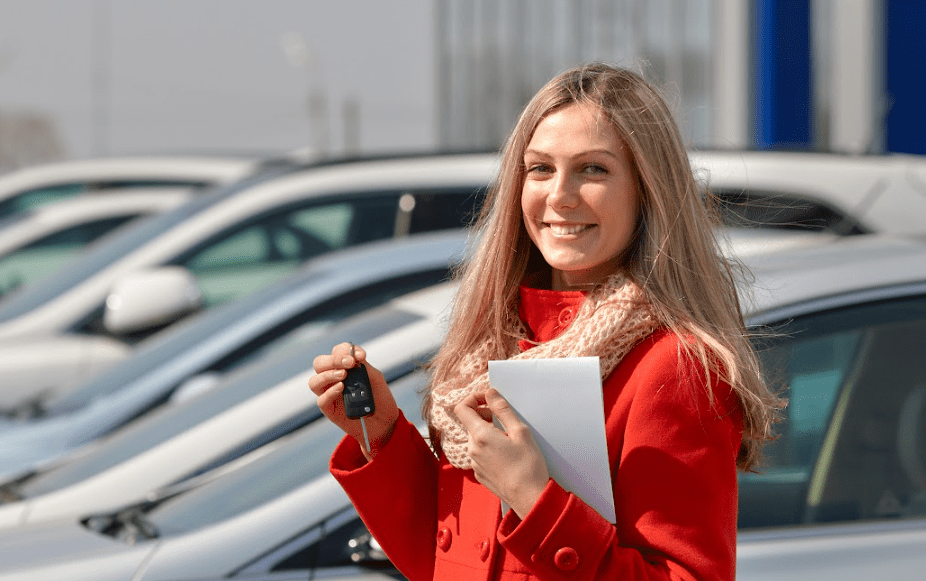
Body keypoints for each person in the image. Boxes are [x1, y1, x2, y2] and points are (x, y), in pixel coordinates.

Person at [308, 63, 782, 581]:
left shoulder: (676, 364)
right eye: (540, 169)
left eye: (593, 169)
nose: (560, 195)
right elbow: (447, 563)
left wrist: (535, 500)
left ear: (648, 190)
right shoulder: (494, 343)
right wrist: (380, 433)